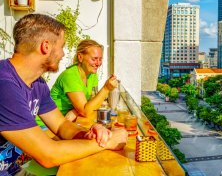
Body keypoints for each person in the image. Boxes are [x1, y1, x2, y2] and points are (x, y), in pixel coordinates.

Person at [0, 14, 127, 175]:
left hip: (10, 170)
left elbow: (61, 125)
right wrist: (108, 142)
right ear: (46, 46)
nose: (63, 54)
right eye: (62, 46)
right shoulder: (4, 84)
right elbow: (48, 155)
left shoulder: (38, 84)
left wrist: (88, 134)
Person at [36, 39, 117, 126]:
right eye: (94, 59)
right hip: (46, 125)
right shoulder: (70, 76)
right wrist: (106, 88)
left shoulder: (92, 74)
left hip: (65, 122)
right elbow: (86, 112)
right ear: (80, 57)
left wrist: (75, 112)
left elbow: (92, 103)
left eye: (100, 59)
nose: (98, 63)